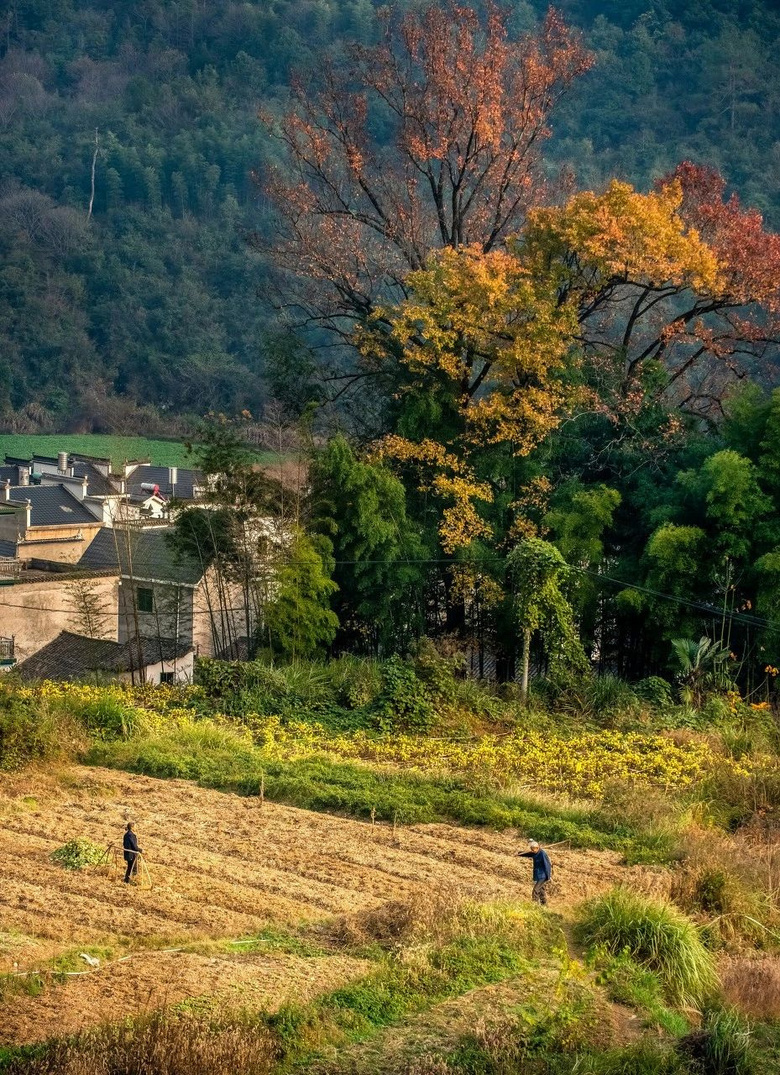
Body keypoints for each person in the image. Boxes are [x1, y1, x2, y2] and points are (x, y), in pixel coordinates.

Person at [518, 838, 552, 904]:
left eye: (533, 849)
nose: (532, 851)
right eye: (532, 849)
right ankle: (544, 905)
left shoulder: (542, 854)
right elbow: (528, 854)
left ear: (537, 848)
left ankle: (534, 905)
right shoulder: (534, 852)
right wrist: (520, 854)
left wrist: (548, 876)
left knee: (535, 890)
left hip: (543, 875)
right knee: (542, 890)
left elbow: (547, 865)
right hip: (538, 874)